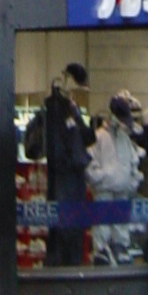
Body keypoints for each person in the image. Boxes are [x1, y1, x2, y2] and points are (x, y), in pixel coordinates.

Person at [33, 64, 95, 266]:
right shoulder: (54, 108)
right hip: (64, 180)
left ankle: (68, 266)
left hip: (72, 179)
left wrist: (79, 116)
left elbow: (87, 137)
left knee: (72, 232)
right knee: (63, 233)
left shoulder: (69, 108)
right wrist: (72, 161)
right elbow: (57, 149)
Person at [87, 93, 144, 266]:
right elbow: (89, 165)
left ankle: (119, 248)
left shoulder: (125, 139)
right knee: (102, 225)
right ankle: (102, 252)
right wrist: (104, 178)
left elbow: (134, 162)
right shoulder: (98, 137)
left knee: (120, 225)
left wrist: (131, 182)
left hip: (121, 190)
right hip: (105, 190)